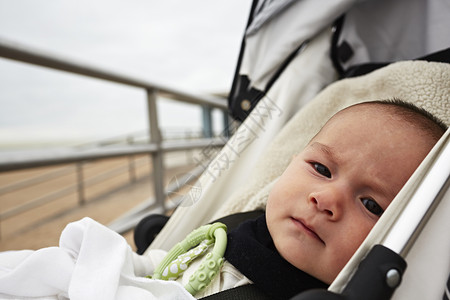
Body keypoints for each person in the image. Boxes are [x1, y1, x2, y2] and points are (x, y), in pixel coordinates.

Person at [148, 99, 447, 299]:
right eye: (321, 169)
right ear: (291, 163)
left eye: (371, 205)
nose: (326, 199)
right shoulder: (240, 227)